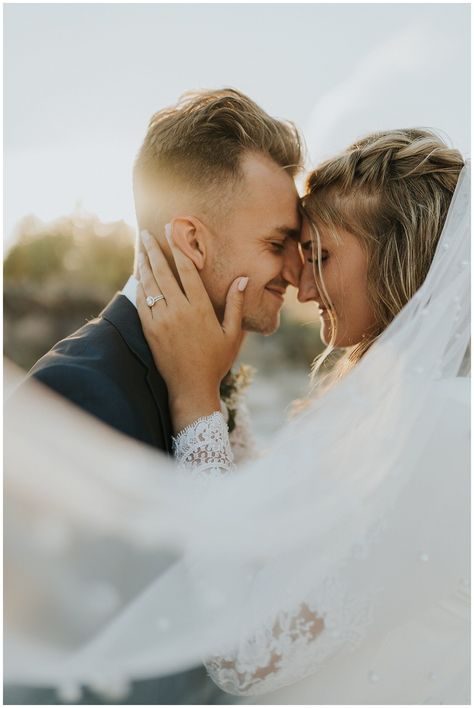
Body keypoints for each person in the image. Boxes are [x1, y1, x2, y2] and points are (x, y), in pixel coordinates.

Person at [134, 128, 470, 703]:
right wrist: (223, 399)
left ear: (401, 261)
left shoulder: (448, 426)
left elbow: (243, 654)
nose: (300, 281)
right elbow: (295, 534)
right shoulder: (391, 401)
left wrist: (196, 404)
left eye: (321, 255)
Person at [9, 88, 303, 705]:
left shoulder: (205, 374)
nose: (296, 270)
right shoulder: (76, 393)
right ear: (193, 241)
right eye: (277, 243)